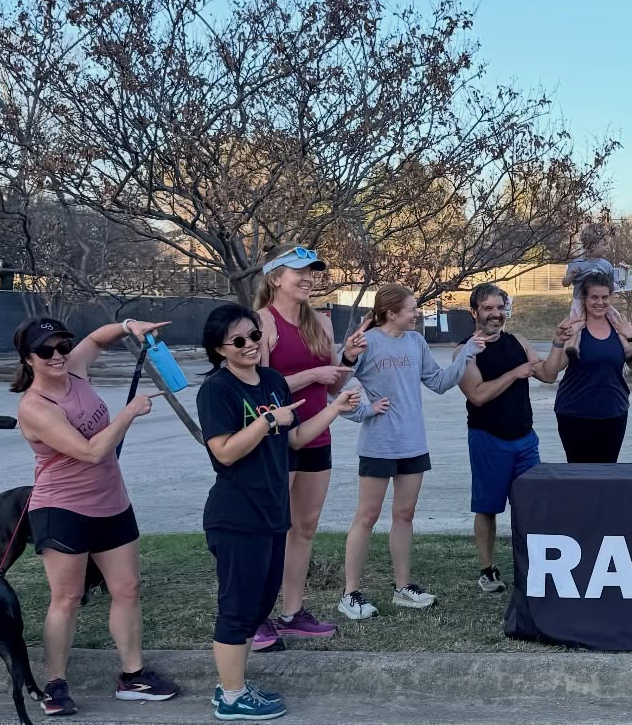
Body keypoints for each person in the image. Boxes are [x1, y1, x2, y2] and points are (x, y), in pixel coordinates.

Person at [196, 303, 359, 722]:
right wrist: (267, 422)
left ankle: (235, 686)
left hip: (272, 511)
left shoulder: (271, 381)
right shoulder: (217, 390)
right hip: (236, 515)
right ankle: (231, 697)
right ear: (220, 348)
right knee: (238, 605)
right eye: (239, 340)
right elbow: (225, 452)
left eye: (254, 336)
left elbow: (298, 438)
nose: (250, 344)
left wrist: (334, 410)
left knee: (258, 604)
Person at [12, 315, 182, 716]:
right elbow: (90, 451)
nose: (57, 355)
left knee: (127, 588)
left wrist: (128, 326)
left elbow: (95, 338)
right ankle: (55, 684)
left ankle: (133, 675)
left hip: (111, 502)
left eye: (62, 346)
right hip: (63, 508)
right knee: (67, 598)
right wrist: (128, 412)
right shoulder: (34, 407)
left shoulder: (75, 367)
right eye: (45, 350)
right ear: (28, 359)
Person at [336, 285, 486, 620]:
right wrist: (366, 410)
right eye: (411, 308)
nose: (416, 313)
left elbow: (438, 382)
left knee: (404, 516)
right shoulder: (366, 342)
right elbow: (335, 391)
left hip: (412, 443)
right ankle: (350, 594)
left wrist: (467, 353)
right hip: (378, 445)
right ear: (390, 312)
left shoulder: (416, 342)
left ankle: (404, 588)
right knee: (367, 516)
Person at [251, 243, 354, 648]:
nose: (309, 277)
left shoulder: (322, 324)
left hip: (318, 433)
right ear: (276, 277)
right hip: (276, 437)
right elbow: (258, 389)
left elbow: (332, 386)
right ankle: (256, 617)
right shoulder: (261, 322)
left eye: (313, 271)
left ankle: (292, 612)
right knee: (272, 528)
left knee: (304, 528)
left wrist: (349, 360)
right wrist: (315, 372)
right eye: (299, 270)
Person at [459, 283, 555, 593]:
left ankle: (533, 568)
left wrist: (560, 345)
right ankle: (487, 571)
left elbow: (548, 374)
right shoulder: (466, 350)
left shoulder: (518, 341)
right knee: (487, 507)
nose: (496, 314)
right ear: (475, 312)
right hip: (488, 438)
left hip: (526, 440)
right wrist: (515, 373)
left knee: (531, 505)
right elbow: (477, 395)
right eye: (488, 308)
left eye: (500, 308)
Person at [545, 271, 632, 463]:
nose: (599, 302)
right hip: (575, 413)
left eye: (604, 297)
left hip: (614, 412)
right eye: (594, 297)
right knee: (580, 476)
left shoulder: (619, 328)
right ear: (584, 298)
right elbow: (553, 370)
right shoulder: (575, 328)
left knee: (606, 476)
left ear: (611, 297)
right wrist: (559, 340)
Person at [561, 222, 616, 328]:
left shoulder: (606, 265)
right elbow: (565, 283)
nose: (606, 248)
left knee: (616, 319)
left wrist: (624, 271)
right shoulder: (576, 264)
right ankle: (573, 344)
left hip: (599, 303)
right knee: (577, 326)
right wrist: (571, 276)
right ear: (592, 245)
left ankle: (626, 343)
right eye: (603, 245)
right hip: (580, 302)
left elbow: (613, 285)